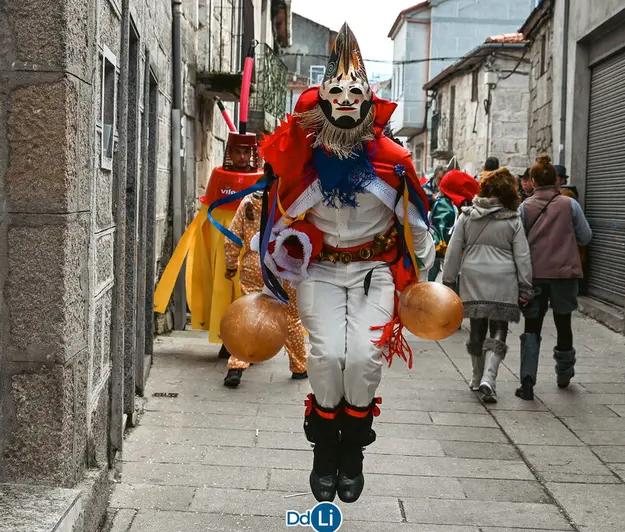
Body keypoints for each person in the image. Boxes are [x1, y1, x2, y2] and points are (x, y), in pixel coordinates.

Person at [256, 23, 433, 504]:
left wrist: (422, 277)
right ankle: (323, 445)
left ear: (369, 102)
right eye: (338, 90)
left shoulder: (393, 160)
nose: (347, 99)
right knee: (328, 354)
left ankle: (352, 447)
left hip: (375, 269)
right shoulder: (302, 161)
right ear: (323, 100)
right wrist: (271, 265)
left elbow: (415, 221)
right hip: (322, 269)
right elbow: (277, 215)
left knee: (363, 356)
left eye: (356, 91)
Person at [153, 133, 263, 357]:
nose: (242, 157)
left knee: (248, 292)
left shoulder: (260, 178)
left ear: (252, 154)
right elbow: (207, 211)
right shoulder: (218, 175)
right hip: (222, 242)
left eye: (246, 152)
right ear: (229, 153)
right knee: (223, 287)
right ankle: (227, 338)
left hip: (251, 247)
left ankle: (246, 339)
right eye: (237, 152)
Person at [441, 169, 533, 402]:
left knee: (477, 324)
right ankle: (489, 378)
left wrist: (449, 281)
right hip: (503, 277)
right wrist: (525, 285)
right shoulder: (513, 219)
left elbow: (453, 251)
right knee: (499, 325)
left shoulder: (467, 215)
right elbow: (522, 256)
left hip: (473, 276)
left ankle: (475, 376)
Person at [517, 155, 592, 400]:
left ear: (534, 180)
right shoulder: (570, 205)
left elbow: (518, 244)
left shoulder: (524, 207)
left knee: (532, 326)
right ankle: (564, 372)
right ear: (556, 181)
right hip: (565, 274)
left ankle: (527, 381)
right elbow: (585, 237)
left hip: (535, 276)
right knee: (563, 323)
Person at [222, 191, 309, 387]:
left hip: (254, 263)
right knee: (290, 317)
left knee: (247, 313)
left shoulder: (249, 201)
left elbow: (232, 237)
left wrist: (231, 264)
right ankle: (299, 366)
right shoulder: (294, 201)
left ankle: (237, 363)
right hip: (284, 265)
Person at [427, 169, 480, 282]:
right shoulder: (445, 204)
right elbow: (444, 230)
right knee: (431, 284)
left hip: (445, 253)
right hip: (440, 252)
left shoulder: (447, 203)